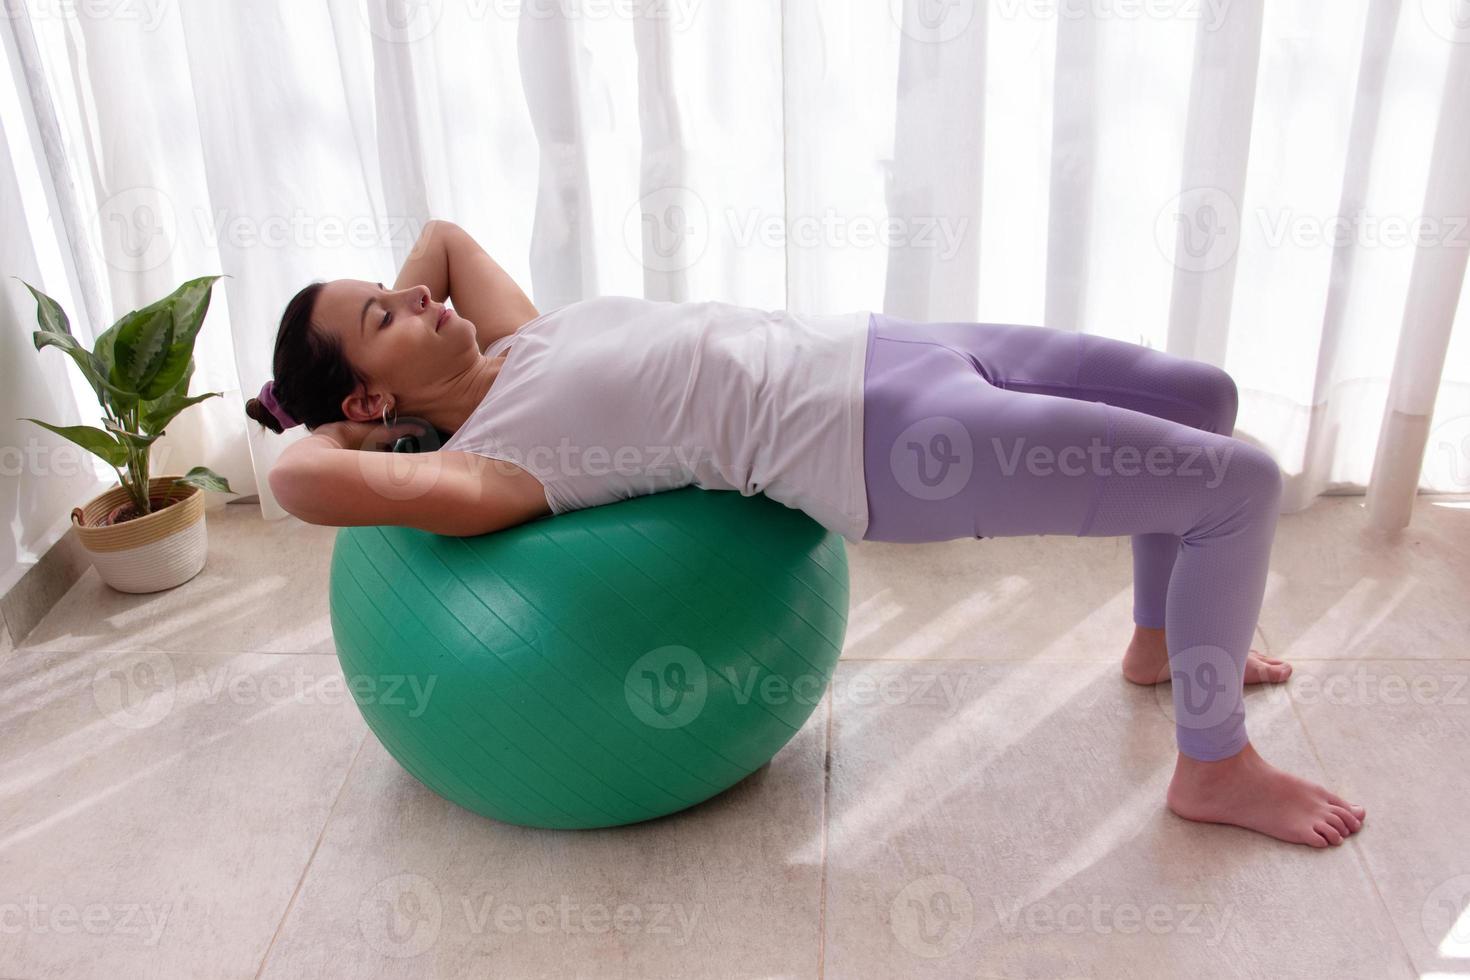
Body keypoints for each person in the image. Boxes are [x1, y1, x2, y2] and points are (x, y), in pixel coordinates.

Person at [248, 219, 1366, 849]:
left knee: (1205, 396)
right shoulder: (494, 467)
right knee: (1237, 485)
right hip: (892, 440)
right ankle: (1214, 766)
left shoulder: (520, 344)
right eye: (379, 318)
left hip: (896, 343)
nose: (413, 295)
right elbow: (298, 478)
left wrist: (397, 325)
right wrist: (359, 434)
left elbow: (442, 236)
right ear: (361, 403)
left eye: (391, 290)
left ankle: (1158, 643)